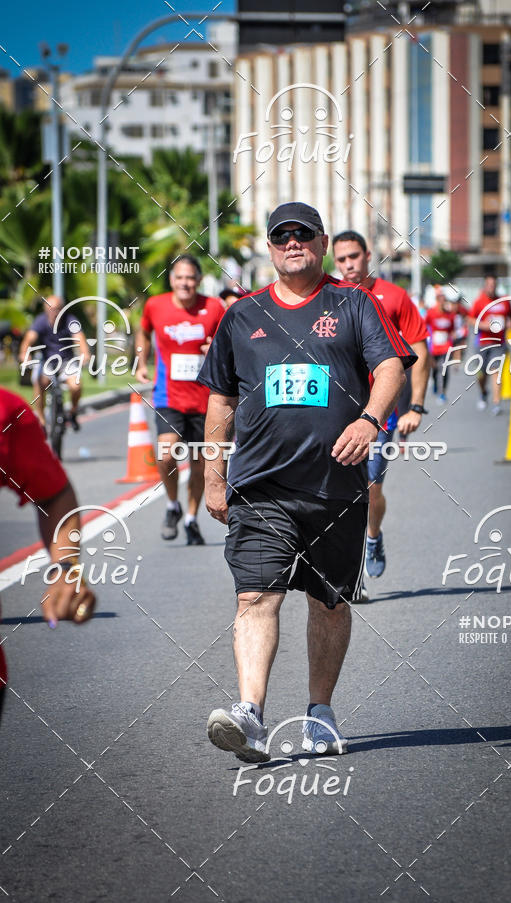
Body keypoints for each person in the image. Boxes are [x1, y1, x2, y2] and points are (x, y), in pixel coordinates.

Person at [201, 202, 416, 762]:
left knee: (329, 603)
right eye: (281, 236)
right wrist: (213, 476)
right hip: (261, 486)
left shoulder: (354, 304)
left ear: (321, 242)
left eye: (302, 234)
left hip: (334, 487)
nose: (292, 242)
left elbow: (391, 366)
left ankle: (320, 712)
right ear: (270, 248)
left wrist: (369, 420)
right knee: (255, 595)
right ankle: (250, 716)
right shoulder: (241, 315)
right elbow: (220, 400)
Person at [332, 230, 430, 584]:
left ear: (367, 255)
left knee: (370, 487)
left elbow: (420, 351)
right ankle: (348, 561)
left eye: (353, 256)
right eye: (341, 259)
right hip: (336, 412)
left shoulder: (394, 297)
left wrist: (415, 406)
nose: (348, 264)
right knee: (336, 492)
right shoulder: (330, 297)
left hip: (380, 413)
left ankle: (371, 538)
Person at [0, 387, 97, 715]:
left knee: (72, 384)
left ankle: (68, 412)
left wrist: (66, 568)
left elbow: (54, 496)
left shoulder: (5, 411)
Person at [136, 255, 224, 545]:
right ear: (171, 280)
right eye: (179, 277)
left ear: (198, 280)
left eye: (190, 277)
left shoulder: (213, 307)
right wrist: (141, 362)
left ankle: (190, 519)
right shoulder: (155, 305)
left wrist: (213, 349)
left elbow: (226, 343)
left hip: (205, 400)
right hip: (169, 395)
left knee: (199, 466)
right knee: (165, 454)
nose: (185, 283)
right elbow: (143, 332)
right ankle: (173, 504)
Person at [19, 296, 90, 431]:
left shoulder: (70, 320)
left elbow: (79, 338)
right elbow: (29, 339)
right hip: (47, 361)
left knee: (76, 386)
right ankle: (41, 421)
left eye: (57, 309)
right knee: (39, 384)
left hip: (67, 361)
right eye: (50, 309)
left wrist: (85, 353)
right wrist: (24, 354)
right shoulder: (40, 321)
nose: (53, 313)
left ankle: (73, 412)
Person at [468, 275, 511, 415]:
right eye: (489, 285)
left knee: (495, 372)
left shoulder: (504, 302)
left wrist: (509, 323)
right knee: (481, 374)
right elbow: (470, 319)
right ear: (485, 286)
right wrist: (484, 325)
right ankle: (483, 393)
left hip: (498, 343)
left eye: (493, 285)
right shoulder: (479, 302)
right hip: (482, 343)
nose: (491, 287)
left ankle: (496, 403)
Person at [425, 285, 456, 403]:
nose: (442, 302)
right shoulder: (431, 313)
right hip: (434, 347)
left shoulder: (450, 315)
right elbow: (425, 326)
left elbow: (452, 330)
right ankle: (435, 384)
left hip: (446, 346)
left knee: (444, 369)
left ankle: (442, 392)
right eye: (440, 299)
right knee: (435, 369)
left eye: (444, 300)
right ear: (437, 300)